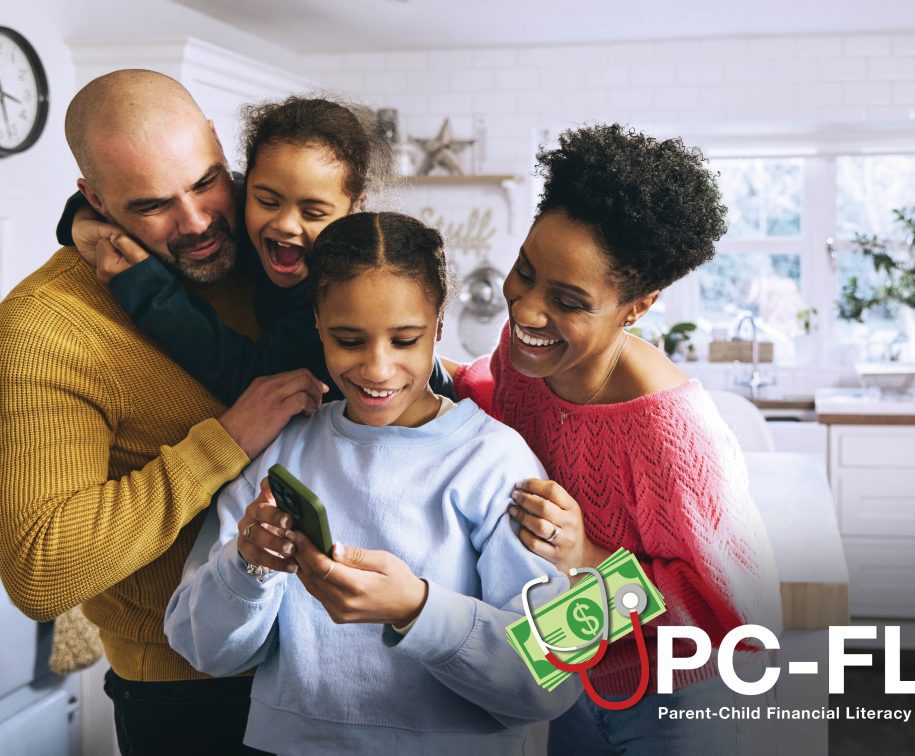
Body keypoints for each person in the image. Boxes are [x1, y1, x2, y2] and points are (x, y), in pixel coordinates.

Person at [165, 212, 578, 755]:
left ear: (438, 323)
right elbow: (202, 648)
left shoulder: (495, 460)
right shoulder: (286, 447)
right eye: (348, 339)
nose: (377, 369)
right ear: (317, 323)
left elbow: (554, 676)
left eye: (405, 339)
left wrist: (417, 610)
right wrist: (247, 566)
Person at [0, 70, 327, 755]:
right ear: (94, 200)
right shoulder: (46, 326)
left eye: (207, 182)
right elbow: (42, 569)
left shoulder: (268, 247)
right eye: (152, 205)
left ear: (219, 144)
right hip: (194, 694)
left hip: (339, 663)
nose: (199, 222)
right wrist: (227, 439)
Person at [452, 124, 783, 754]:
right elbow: (497, 399)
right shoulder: (526, 354)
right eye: (525, 270)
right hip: (574, 677)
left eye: (569, 300)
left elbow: (741, 613)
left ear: (638, 306)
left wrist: (587, 555)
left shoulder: (668, 432)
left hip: (670, 704)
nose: (523, 311)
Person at [61, 95, 454, 404]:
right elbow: (147, 188)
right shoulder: (230, 210)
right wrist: (85, 218)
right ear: (245, 186)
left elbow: (252, 378)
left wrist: (148, 289)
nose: (284, 223)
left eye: (314, 211)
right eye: (267, 200)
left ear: (354, 209)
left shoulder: (345, 288)